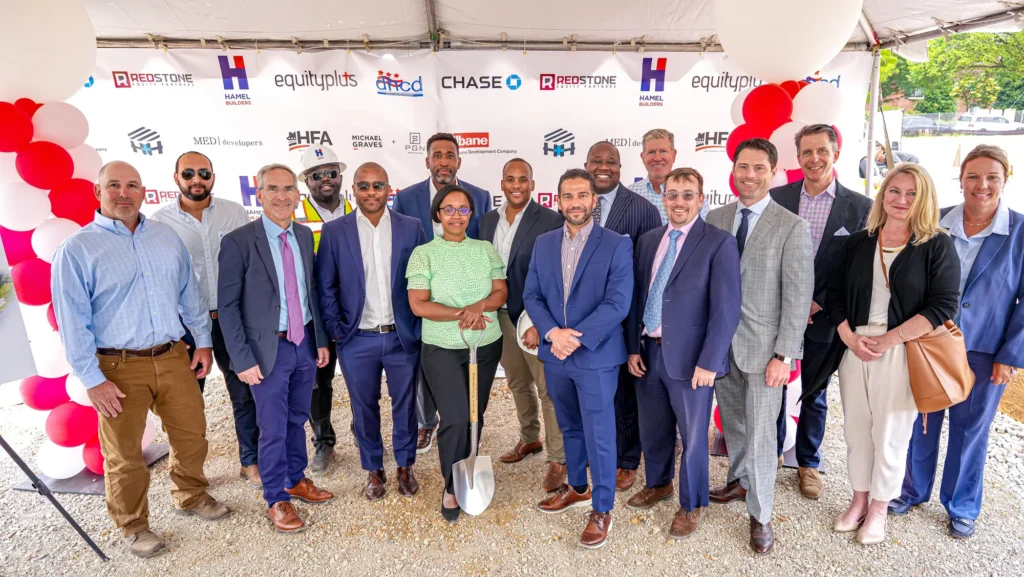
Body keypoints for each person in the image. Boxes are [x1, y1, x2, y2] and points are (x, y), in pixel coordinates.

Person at [52, 161, 230, 559]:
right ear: (98, 192)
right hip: (116, 366)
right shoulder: (77, 249)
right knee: (124, 454)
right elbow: (72, 321)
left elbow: (190, 296)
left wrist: (202, 343)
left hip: (172, 356)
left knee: (192, 435)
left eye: (132, 185)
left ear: (144, 192)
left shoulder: (165, 237)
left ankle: (191, 494)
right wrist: (92, 378)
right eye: (113, 185)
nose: (123, 193)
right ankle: (133, 525)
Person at [893, 145, 1024, 539]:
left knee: (971, 431)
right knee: (922, 421)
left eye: (991, 178)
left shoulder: (1019, 232)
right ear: (961, 179)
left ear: (1005, 180)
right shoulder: (934, 222)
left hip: (985, 350)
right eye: (973, 176)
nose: (981, 186)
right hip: (929, 342)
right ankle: (911, 491)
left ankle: (961, 505)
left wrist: (1011, 354)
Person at [827, 163, 959, 545]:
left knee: (890, 434)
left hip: (901, 351)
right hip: (856, 349)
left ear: (924, 199)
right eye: (894, 191)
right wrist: (848, 336)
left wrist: (888, 341)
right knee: (857, 430)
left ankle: (880, 508)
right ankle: (858, 500)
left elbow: (942, 305)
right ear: (882, 195)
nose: (901, 200)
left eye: (911, 193)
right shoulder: (859, 240)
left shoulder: (936, 244)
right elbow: (834, 294)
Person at [705, 139, 813, 555]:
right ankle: (740, 481)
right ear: (733, 169)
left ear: (773, 172)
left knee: (764, 435)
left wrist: (784, 355)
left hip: (765, 351)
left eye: (758, 168)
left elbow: (798, 296)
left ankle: (762, 514)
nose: (749, 175)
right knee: (732, 424)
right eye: (742, 166)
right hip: (720, 348)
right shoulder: (715, 218)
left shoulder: (791, 226)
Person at [218, 164, 334, 534]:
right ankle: (275, 498)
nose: (282, 196)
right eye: (273, 189)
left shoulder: (302, 235)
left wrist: (319, 341)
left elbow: (310, 293)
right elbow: (228, 308)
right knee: (271, 428)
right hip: (265, 351)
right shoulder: (238, 242)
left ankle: (295, 479)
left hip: (303, 345)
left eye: (288, 189)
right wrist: (242, 358)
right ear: (259, 193)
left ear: (298, 194)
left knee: (297, 419)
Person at [625, 168, 741, 538]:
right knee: (654, 429)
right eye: (672, 194)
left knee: (693, 439)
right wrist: (632, 348)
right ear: (664, 198)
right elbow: (637, 299)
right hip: (649, 353)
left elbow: (726, 309)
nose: (678, 201)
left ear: (701, 199)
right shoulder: (649, 240)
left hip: (693, 362)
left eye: (687, 195)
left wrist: (709, 361)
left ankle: (692, 505)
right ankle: (659, 484)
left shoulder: (718, 242)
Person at [524, 168, 634, 549]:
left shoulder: (616, 244)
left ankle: (602, 508)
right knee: (569, 425)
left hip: (595, 356)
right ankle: (578, 487)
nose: (575, 203)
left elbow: (618, 303)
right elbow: (532, 296)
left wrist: (575, 338)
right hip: (555, 354)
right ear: (558, 201)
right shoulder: (543, 243)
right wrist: (553, 334)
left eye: (582, 195)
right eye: (567, 196)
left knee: (600, 434)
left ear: (594, 200)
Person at [769, 125, 873, 499]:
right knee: (772, 386)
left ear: (836, 154)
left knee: (813, 392)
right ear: (797, 158)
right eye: (807, 152)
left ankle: (807, 463)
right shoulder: (776, 197)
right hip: (776, 313)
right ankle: (770, 456)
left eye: (821, 151)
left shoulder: (860, 207)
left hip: (824, 317)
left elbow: (858, 270)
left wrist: (819, 301)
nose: (814, 159)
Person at [317, 162, 427, 501]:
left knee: (405, 404)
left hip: (401, 336)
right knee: (363, 406)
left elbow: (427, 279)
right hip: (356, 339)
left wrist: (420, 326)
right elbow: (326, 287)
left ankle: (405, 465)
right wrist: (337, 331)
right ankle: (373, 469)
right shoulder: (336, 231)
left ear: (388, 189)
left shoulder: (413, 227)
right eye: (364, 186)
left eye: (378, 185)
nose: (371, 192)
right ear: (354, 191)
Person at [150, 151, 260, 488]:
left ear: (212, 176)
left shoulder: (235, 212)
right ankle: (190, 478)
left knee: (244, 391)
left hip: (231, 318)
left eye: (204, 173)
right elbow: (157, 279)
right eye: (188, 174)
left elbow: (249, 266)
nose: (196, 179)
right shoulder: (158, 222)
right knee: (185, 402)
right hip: (185, 323)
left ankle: (250, 461)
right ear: (176, 178)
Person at [405, 184, 507, 523]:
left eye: (463, 209)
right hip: (442, 349)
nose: (456, 215)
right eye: (448, 209)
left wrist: (479, 307)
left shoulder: (485, 249)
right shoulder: (424, 253)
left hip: (486, 345)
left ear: (471, 213)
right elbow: (418, 305)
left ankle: (469, 471)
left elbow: (500, 291)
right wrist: (463, 314)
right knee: (456, 418)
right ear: (437, 214)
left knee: (475, 416)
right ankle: (452, 486)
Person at [393, 133, 493, 456]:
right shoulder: (406, 198)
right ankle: (426, 423)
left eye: (450, 155)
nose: (444, 162)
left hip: (469, 305)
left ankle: (463, 426)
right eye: (437, 156)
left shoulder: (480, 196)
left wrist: (475, 305)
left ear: (459, 161)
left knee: (465, 379)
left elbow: (478, 248)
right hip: (422, 294)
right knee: (425, 365)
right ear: (427, 161)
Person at [480, 158, 567, 492]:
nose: (516, 185)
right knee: (517, 382)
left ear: (532, 184)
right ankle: (529, 438)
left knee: (547, 389)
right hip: (498, 316)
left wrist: (537, 323)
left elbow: (554, 279)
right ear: (502, 183)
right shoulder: (488, 220)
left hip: (532, 319)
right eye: (510, 179)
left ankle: (558, 459)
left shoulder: (549, 220)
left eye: (523, 179)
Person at [584, 140, 661, 492]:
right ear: (586, 165)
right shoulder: (575, 203)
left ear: (620, 167)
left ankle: (627, 460)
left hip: (625, 317)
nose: (604, 167)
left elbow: (651, 271)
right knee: (589, 388)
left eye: (611, 162)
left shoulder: (642, 209)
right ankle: (591, 448)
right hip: (581, 318)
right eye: (597, 161)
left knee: (625, 392)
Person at [295, 145, 354, 474]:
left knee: (363, 377)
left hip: (357, 311)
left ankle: (364, 433)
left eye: (331, 172)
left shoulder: (360, 209)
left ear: (341, 177)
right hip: (314, 314)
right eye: (317, 175)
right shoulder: (293, 215)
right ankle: (323, 441)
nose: (326, 180)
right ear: (306, 181)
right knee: (319, 382)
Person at [628, 129, 709, 222]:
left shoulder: (694, 195)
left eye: (663, 151)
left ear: (673, 155)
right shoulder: (630, 194)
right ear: (642, 157)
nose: (657, 158)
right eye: (651, 152)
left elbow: (706, 232)